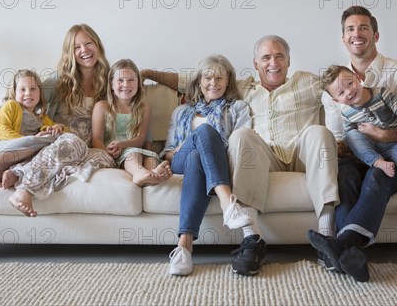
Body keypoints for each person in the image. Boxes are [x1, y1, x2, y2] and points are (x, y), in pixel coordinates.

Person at [142, 36, 339, 276]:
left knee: (318, 132)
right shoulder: (198, 105)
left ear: (289, 61)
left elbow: (343, 86)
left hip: (293, 151)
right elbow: (189, 81)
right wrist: (147, 72)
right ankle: (244, 228)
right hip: (226, 156)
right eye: (266, 57)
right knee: (213, 139)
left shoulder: (303, 84)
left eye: (279, 56)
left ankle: (328, 238)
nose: (273, 62)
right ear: (256, 64)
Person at [308, 5, 397, 282]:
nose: (357, 34)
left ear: (376, 35)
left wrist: (385, 135)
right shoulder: (333, 89)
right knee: (343, 174)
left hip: (396, 156)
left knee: (379, 174)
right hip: (357, 158)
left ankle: (341, 245)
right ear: (343, 39)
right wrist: (331, 149)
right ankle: (350, 255)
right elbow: (340, 137)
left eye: (364, 27)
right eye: (350, 29)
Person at [0, 24, 115, 217]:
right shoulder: (59, 82)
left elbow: (132, 103)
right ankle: (25, 190)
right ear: (69, 53)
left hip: (88, 149)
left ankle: (21, 172)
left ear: (98, 46)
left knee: (106, 158)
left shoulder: (110, 81)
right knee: (72, 141)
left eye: (89, 43)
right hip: (60, 143)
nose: (84, 50)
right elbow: (25, 99)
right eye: (77, 47)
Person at [161, 54, 253, 276]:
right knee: (202, 133)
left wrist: (203, 151)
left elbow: (239, 146)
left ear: (228, 81)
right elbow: (169, 150)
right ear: (199, 82)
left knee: (196, 158)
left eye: (219, 78)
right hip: (179, 160)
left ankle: (184, 246)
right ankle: (227, 203)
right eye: (208, 78)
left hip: (216, 163)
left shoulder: (237, 107)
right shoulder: (181, 111)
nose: (214, 83)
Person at [320, 64, 397, 224]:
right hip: (370, 149)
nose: (349, 91)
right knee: (352, 135)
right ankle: (377, 162)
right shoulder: (346, 112)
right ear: (336, 100)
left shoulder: (381, 93)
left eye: (350, 83)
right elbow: (350, 134)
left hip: (394, 145)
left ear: (357, 77)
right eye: (341, 92)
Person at [0, 69, 64, 189]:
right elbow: (1, 131)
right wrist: (31, 140)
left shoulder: (41, 117)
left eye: (33, 89)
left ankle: (10, 175)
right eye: (22, 89)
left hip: (13, 159)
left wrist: (58, 127)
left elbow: (61, 132)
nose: (28, 93)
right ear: (14, 92)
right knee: (41, 142)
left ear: (40, 92)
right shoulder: (12, 106)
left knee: (46, 150)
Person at [91, 59, 171, 187]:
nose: (126, 85)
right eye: (120, 80)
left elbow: (141, 139)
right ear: (111, 84)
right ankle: (140, 173)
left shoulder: (144, 107)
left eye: (131, 80)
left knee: (150, 158)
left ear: (138, 83)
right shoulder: (102, 107)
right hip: (114, 153)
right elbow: (96, 139)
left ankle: (152, 176)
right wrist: (108, 152)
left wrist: (123, 144)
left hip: (136, 150)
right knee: (132, 154)